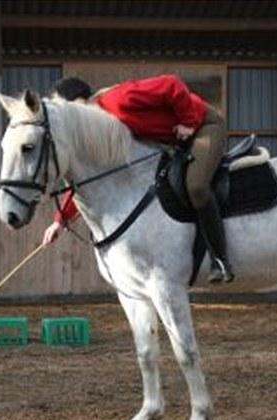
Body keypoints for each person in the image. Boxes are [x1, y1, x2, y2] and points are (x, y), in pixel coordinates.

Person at [43, 75, 234, 283]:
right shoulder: (101, 123)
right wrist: (60, 221)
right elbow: (91, 180)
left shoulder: (119, 99)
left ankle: (220, 260)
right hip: (175, 142)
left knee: (196, 186)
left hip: (203, 126)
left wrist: (188, 123)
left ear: (80, 101)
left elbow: (172, 84)